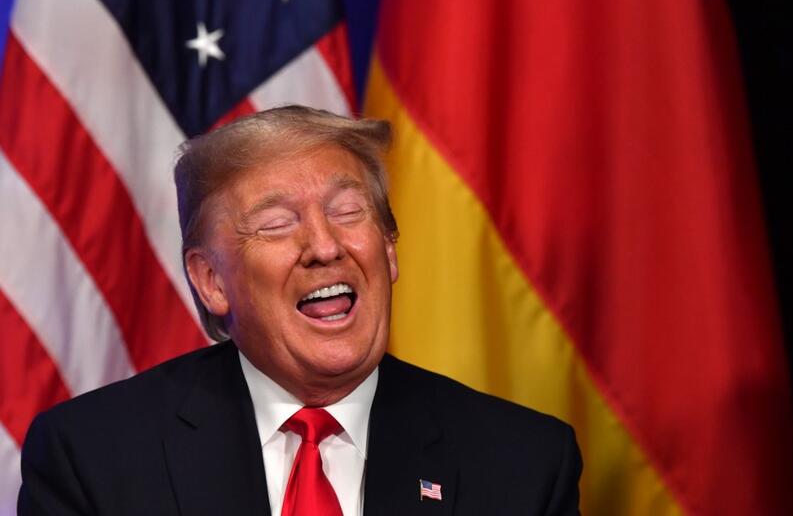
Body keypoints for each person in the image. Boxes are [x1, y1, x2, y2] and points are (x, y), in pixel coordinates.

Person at [18, 105, 582, 515]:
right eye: (277, 225)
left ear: (388, 248)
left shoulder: (524, 464)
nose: (325, 246)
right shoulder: (91, 458)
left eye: (348, 211)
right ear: (211, 281)